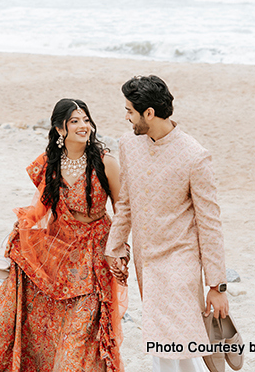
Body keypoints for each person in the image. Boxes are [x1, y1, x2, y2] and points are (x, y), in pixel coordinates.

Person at [0, 98, 127, 372]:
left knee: (81, 332)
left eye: (86, 119)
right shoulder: (50, 162)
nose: (83, 125)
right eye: (75, 121)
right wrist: (22, 226)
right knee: (45, 325)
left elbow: (123, 212)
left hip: (93, 256)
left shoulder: (107, 163)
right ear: (60, 128)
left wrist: (118, 250)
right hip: (58, 252)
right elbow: (42, 206)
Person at [105, 76, 228, 372]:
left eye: (130, 111)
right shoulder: (128, 144)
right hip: (146, 262)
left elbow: (209, 223)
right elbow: (126, 203)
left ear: (149, 113)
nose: (126, 117)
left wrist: (217, 285)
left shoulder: (195, 156)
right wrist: (115, 245)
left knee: (169, 341)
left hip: (180, 260)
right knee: (170, 343)